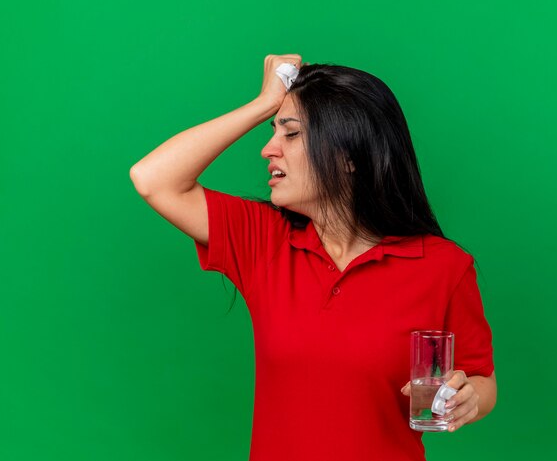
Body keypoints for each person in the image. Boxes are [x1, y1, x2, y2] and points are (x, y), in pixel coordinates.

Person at [130, 54, 497, 461]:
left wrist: (469, 399)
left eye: (290, 134)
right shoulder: (264, 241)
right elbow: (153, 179)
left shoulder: (443, 266)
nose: (268, 149)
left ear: (349, 156)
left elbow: (481, 378)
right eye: (274, 132)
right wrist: (265, 104)